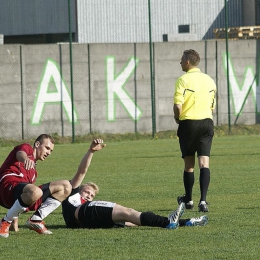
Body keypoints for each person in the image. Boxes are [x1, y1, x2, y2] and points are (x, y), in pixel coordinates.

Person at [61, 138, 208, 229]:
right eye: (87, 192)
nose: (88, 195)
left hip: (90, 221)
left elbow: (131, 220)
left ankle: (185, 222)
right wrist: (91, 151)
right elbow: (82, 171)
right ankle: (170, 221)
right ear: (79, 189)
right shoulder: (72, 193)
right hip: (84, 214)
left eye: (92, 195)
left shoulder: (87, 209)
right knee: (129, 212)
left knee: (131, 218)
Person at [0, 134, 72, 238]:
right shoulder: (27, 148)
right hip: (6, 186)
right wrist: (25, 159)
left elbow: (21, 198)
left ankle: (36, 219)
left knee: (66, 186)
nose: (48, 152)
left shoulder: (34, 174)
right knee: (35, 191)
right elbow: (20, 153)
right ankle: (4, 222)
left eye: (51, 151)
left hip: (17, 195)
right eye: (47, 148)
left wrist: (14, 222)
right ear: (37, 144)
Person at [173, 49, 217, 212]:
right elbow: (212, 106)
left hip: (189, 123)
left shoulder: (183, 80)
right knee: (204, 162)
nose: (180, 62)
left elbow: (178, 105)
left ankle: (189, 199)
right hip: (207, 122)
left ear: (187, 62)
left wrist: (178, 118)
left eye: (181, 60)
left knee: (189, 164)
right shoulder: (210, 80)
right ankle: (203, 201)